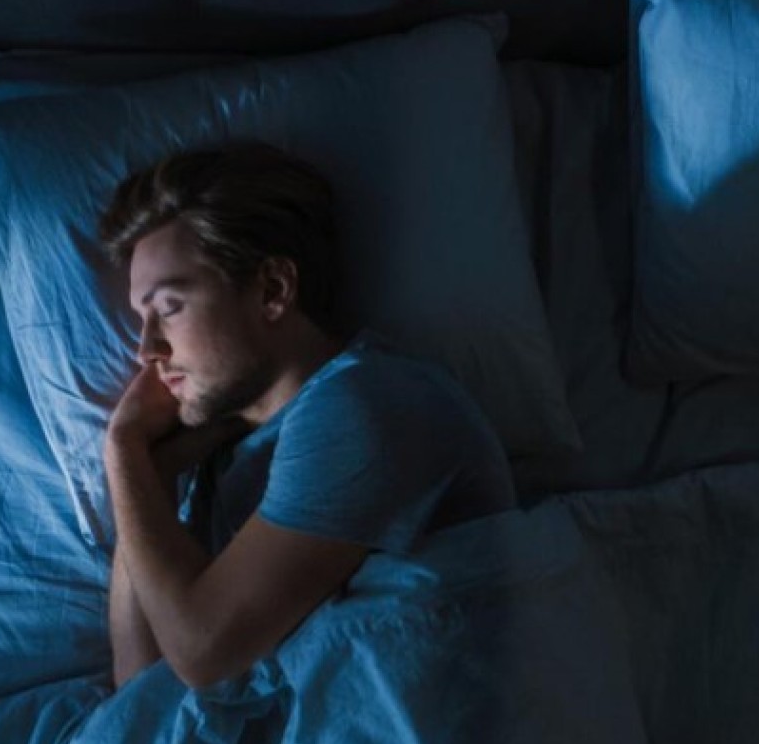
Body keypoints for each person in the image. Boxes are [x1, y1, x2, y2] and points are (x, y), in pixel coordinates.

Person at [98, 141, 517, 691]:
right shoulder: (220, 459)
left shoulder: (367, 405)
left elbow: (202, 652)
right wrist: (153, 475)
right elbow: (140, 692)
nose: (146, 349)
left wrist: (124, 453)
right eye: (142, 317)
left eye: (170, 308)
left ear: (272, 290)